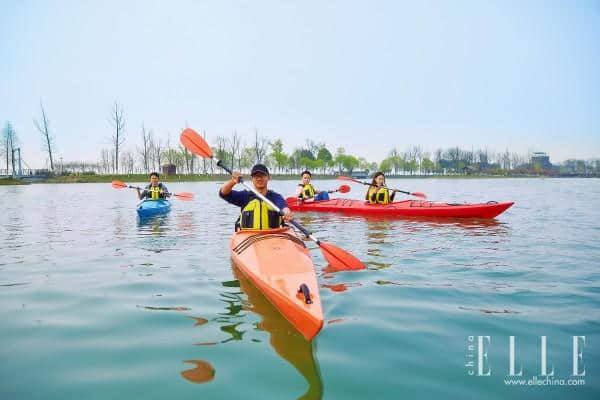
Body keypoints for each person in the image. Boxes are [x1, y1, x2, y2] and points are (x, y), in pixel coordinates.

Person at [219, 164, 293, 230]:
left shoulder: (275, 197)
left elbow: (283, 205)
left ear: (269, 177)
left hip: (271, 238)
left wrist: (286, 211)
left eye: (262, 175)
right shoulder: (245, 196)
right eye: (256, 176)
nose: (259, 178)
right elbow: (223, 193)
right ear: (252, 179)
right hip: (249, 238)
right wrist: (232, 181)